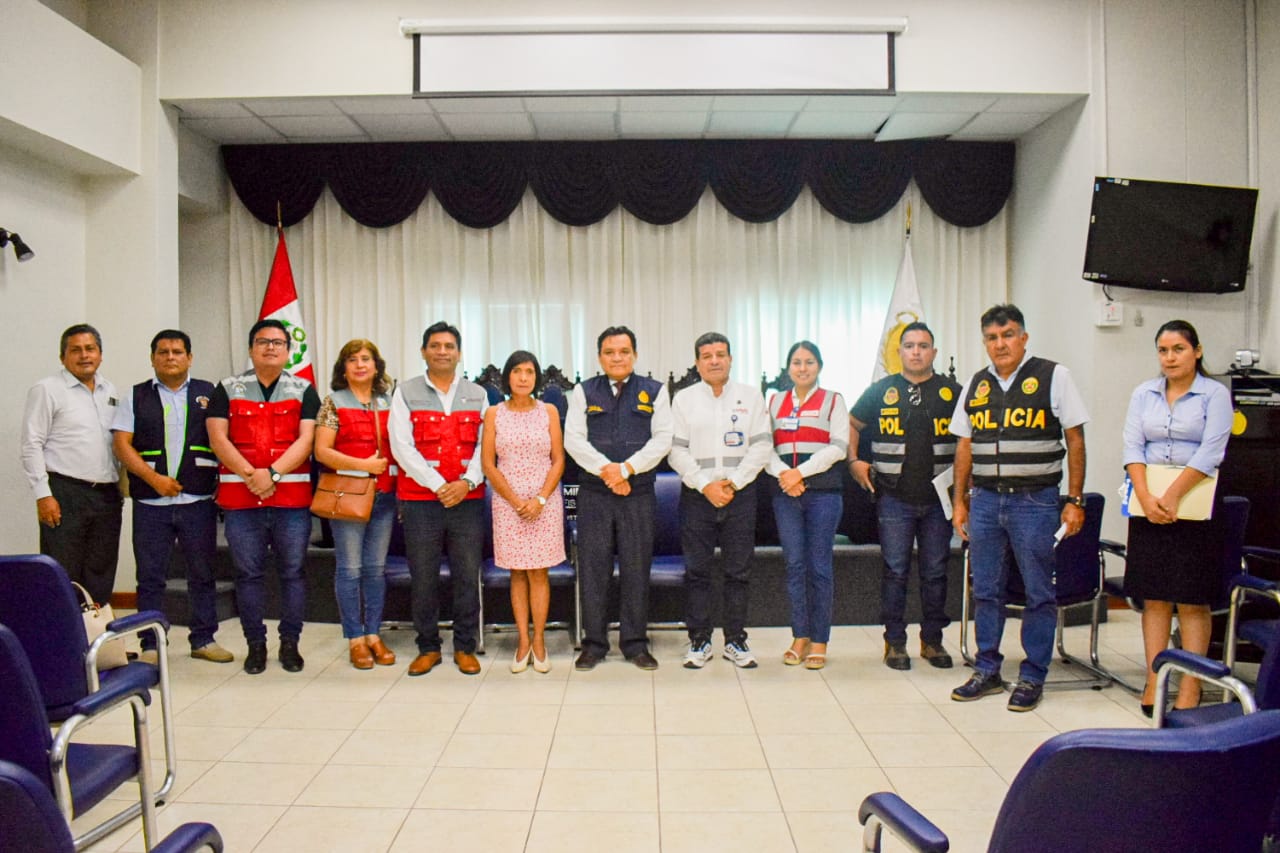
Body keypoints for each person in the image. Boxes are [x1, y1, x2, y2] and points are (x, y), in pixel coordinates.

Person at [949, 304, 1089, 712]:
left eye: (1008, 335)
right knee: (987, 589)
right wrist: (960, 502)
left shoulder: (1054, 375)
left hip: (1036, 501)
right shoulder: (976, 384)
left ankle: (1032, 676)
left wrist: (1075, 500)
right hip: (986, 501)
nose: (1000, 344)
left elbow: (1075, 439)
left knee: (1038, 591)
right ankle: (987, 669)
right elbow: (964, 444)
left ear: (1023, 337)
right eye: (992, 338)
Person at [1122, 320, 1233, 715]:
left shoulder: (1214, 394)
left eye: (1178, 349)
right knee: (1154, 596)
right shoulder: (1144, 393)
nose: (1170, 358)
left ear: (1197, 351)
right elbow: (1133, 447)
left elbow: (1211, 451)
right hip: (1148, 503)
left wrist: (1171, 495)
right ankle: (1156, 677)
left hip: (1194, 503)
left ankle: (1191, 685)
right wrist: (1148, 497)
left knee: (1190, 599)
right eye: (1163, 351)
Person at [207, 319, 320, 675]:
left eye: (278, 342)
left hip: (291, 500)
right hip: (241, 500)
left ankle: (290, 643)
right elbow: (218, 439)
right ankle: (255, 644)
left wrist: (271, 474)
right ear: (251, 349)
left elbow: (306, 441)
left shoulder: (304, 390)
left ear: (288, 350)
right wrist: (250, 475)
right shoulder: (227, 388)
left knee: (293, 573)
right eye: (263, 342)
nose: (270, 347)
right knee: (248, 574)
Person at [112, 330, 231, 665]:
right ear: (153, 358)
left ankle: (204, 639)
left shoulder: (211, 394)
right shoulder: (133, 396)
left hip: (198, 501)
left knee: (202, 573)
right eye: (162, 352)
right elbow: (122, 445)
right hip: (151, 503)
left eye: (177, 351)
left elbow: (226, 441)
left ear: (189, 358)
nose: (170, 357)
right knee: (150, 576)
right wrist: (154, 479)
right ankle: (151, 644)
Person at [849, 322, 961, 671]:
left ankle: (933, 641)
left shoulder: (952, 392)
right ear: (898, 352)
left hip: (938, 499)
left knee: (935, 572)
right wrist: (854, 461)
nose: (916, 351)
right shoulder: (880, 391)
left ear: (934, 352)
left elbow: (968, 441)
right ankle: (895, 642)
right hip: (894, 497)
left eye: (923, 346)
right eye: (909, 345)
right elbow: (851, 424)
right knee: (895, 571)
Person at [565, 326, 673, 671]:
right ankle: (594, 644)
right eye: (610, 352)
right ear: (600, 357)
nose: (617, 357)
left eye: (624, 351)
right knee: (593, 569)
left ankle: (635, 643)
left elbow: (662, 439)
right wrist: (608, 472)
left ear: (635, 355)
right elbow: (574, 440)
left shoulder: (655, 391)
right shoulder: (583, 391)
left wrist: (625, 470)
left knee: (636, 568)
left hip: (637, 493)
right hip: (595, 493)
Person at [388, 322, 487, 677]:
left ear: (459, 353)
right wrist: (437, 484)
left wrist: (466, 481)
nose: (442, 351)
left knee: (465, 575)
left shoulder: (478, 394)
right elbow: (402, 446)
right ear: (423, 351)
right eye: (435, 345)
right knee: (424, 576)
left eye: (448, 346)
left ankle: (464, 646)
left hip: (468, 500)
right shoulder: (405, 392)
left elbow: (484, 446)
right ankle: (428, 647)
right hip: (420, 502)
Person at [668, 332, 772, 669]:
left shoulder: (751, 397)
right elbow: (676, 450)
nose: (715, 360)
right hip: (697, 496)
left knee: (738, 571)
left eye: (721, 354)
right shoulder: (684, 399)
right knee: (697, 571)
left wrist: (734, 482)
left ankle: (736, 640)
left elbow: (761, 446)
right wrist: (704, 485)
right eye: (707, 355)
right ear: (697, 362)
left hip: (740, 494)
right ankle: (699, 641)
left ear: (730, 359)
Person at [20, 323, 122, 605]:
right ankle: (64, 643)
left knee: (101, 571)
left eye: (90, 349)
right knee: (63, 571)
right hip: (65, 493)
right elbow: (31, 444)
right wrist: (43, 495)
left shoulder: (109, 390)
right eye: (75, 350)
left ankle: (95, 639)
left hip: (106, 495)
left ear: (100, 354)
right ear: (62, 356)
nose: (84, 355)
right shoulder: (47, 389)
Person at [313, 339, 398, 671]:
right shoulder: (333, 402)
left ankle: (374, 634)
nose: (360, 364)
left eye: (366, 359)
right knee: (350, 569)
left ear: (376, 366)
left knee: (376, 570)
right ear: (343, 368)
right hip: (347, 496)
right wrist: (364, 465)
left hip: (385, 497)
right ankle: (354, 638)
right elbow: (322, 451)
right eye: (353, 360)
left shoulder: (389, 401)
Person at [481, 351, 566, 674]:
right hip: (508, 502)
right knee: (517, 572)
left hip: (544, 502)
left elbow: (558, 459)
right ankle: (522, 640)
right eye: (517, 371)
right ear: (507, 376)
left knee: (539, 572)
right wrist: (517, 501)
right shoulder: (494, 413)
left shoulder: (549, 411)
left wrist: (541, 499)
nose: (523, 377)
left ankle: (540, 641)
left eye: (529, 371)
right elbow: (489, 463)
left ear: (537, 378)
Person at [766, 341, 848, 670]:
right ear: (788, 368)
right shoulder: (775, 402)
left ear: (819, 366)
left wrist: (800, 472)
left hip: (824, 494)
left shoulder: (833, 401)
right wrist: (785, 475)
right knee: (795, 566)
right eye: (797, 362)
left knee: (819, 568)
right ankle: (799, 635)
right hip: (785, 493)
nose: (803, 368)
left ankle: (819, 640)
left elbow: (839, 447)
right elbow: (764, 447)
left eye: (809, 362)